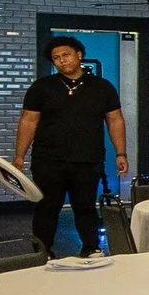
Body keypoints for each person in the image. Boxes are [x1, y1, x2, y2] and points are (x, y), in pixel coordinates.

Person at [17, 36, 127, 256]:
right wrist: (19, 155)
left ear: (79, 55)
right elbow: (28, 121)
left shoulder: (102, 87)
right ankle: (42, 250)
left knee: (85, 206)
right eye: (56, 58)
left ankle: (91, 248)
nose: (61, 61)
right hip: (48, 160)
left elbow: (115, 120)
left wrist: (121, 153)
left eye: (65, 55)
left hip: (87, 159)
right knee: (47, 207)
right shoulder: (41, 88)